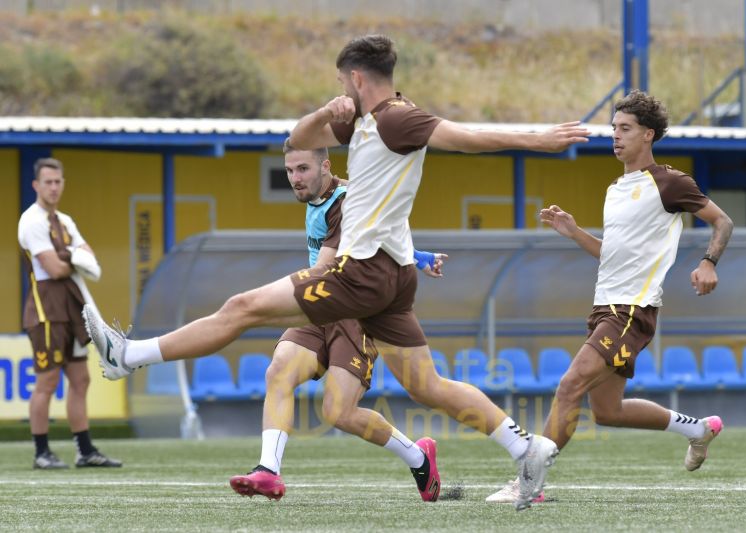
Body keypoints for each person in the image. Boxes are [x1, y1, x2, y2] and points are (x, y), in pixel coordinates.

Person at [84, 34, 589, 510]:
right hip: (391, 276)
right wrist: (325, 112)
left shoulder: (396, 118)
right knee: (425, 385)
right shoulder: (362, 121)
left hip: (362, 271)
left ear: (356, 78)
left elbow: (464, 137)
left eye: (342, 83)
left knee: (242, 308)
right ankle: (523, 448)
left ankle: (128, 355)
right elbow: (297, 139)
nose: (341, 90)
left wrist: (538, 138)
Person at [486, 90, 734, 503]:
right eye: (613, 129)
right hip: (605, 307)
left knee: (569, 386)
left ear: (648, 135)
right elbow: (611, 253)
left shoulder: (670, 182)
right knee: (608, 411)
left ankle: (529, 485)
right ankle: (698, 429)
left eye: (625, 129)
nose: (616, 137)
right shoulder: (617, 188)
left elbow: (722, 221)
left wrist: (709, 262)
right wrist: (574, 232)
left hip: (631, 311)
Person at [229, 141, 446, 502]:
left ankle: (419, 457)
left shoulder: (344, 200)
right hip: (319, 307)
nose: (295, 179)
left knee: (338, 412)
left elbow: (325, 267)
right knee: (278, 371)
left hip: (355, 314)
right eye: (289, 171)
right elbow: (377, 233)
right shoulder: (322, 195)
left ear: (325, 166)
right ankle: (268, 470)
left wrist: (265, 304)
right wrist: (419, 255)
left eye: (303, 170)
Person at [18, 157, 122, 469]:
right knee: (47, 381)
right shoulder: (31, 221)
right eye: (47, 182)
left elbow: (90, 257)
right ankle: (41, 452)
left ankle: (85, 450)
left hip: (74, 307)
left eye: (57, 181)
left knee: (81, 378)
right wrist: (72, 257)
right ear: (36, 185)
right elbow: (54, 267)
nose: (53, 187)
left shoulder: (64, 221)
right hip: (46, 311)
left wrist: (71, 257)